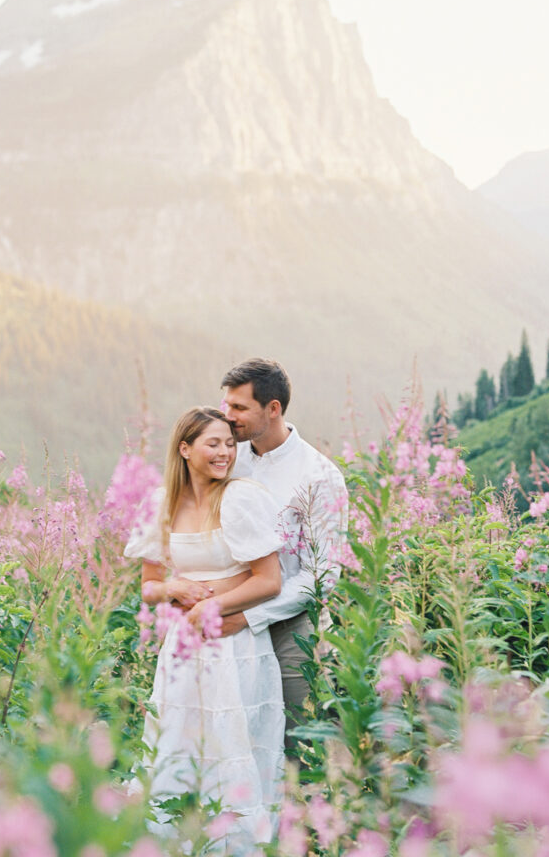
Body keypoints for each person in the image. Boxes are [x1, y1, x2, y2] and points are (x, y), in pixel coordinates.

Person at [124, 406, 285, 850]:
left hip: (236, 646)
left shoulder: (240, 498)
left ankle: (238, 844)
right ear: (185, 448)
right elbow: (150, 588)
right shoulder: (161, 504)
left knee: (235, 744)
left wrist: (210, 607)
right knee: (179, 743)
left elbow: (269, 581)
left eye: (230, 444)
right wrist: (175, 585)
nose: (225, 453)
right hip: (184, 651)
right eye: (213, 443)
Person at [220, 359, 348, 747]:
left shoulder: (318, 475)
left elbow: (323, 575)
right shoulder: (229, 458)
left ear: (272, 409)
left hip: (291, 628)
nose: (228, 416)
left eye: (239, 408)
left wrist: (250, 615)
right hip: (228, 613)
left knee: (296, 738)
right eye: (226, 405)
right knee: (235, 735)